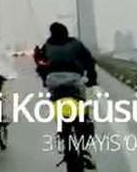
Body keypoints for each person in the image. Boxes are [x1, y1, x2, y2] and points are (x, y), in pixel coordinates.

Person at [36, 22, 98, 170]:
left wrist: (45, 80)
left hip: (54, 83)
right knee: (84, 117)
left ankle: (63, 133)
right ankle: (83, 150)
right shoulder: (75, 44)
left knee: (58, 109)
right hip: (74, 82)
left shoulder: (47, 46)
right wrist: (92, 79)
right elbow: (89, 61)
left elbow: (41, 67)